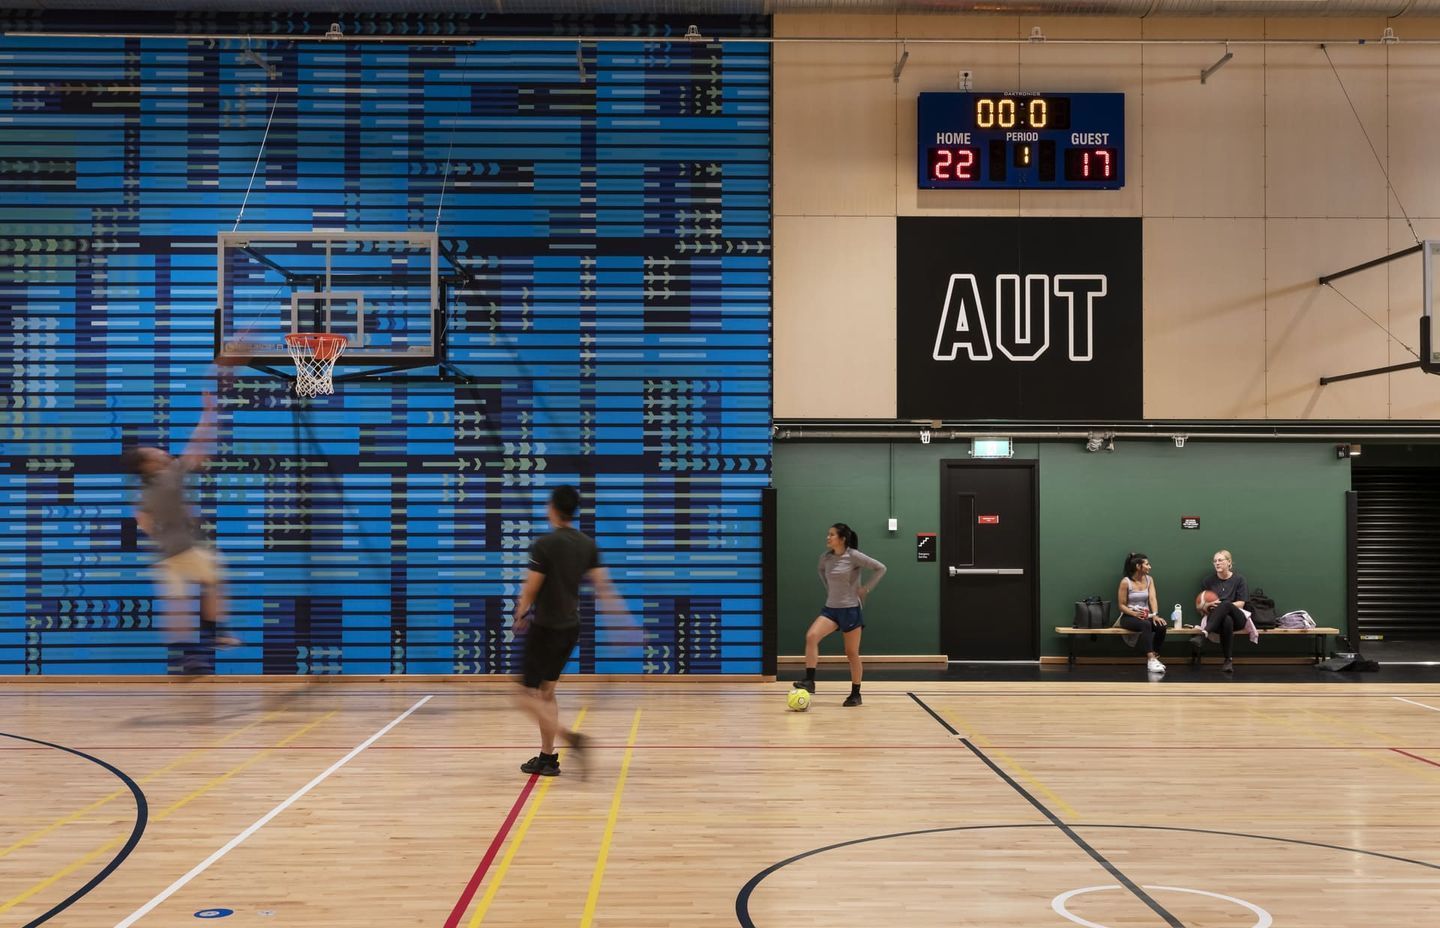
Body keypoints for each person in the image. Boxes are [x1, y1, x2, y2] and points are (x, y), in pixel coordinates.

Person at [511, 485, 625, 777]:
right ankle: (547, 758)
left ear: (552, 508)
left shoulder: (545, 545)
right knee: (546, 693)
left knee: (522, 695)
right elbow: (603, 587)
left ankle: (570, 738)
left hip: (546, 629)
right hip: (570, 629)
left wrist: (521, 611)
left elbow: (532, 587)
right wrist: (620, 623)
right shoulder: (587, 544)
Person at [122, 392, 239, 675]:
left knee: (178, 606)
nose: (162, 452)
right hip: (187, 547)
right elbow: (196, 445)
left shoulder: (145, 491)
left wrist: (163, 533)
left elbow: (142, 519)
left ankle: (188, 658)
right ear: (149, 465)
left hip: (166, 554)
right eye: (155, 452)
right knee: (214, 582)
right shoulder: (170, 474)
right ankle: (216, 634)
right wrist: (209, 412)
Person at [791, 523, 886, 707]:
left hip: (850, 610)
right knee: (811, 636)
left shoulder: (853, 556)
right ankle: (810, 681)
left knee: (851, 653)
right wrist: (830, 590)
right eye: (828, 534)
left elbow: (881, 568)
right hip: (831, 609)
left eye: (832, 535)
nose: (828, 537)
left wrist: (865, 589)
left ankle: (856, 694)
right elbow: (821, 571)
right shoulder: (825, 558)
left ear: (842, 539)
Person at [1195, 549, 1255, 674]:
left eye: (1220, 560)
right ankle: (1228, 661)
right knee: (1226, 621)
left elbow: (1241, 603)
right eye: (1215, 561)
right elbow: (1202, 607)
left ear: (1229, 562)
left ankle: (1204, 634)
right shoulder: (1208, 581)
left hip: (1238, 617)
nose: (1217, 563)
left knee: (1226, 604)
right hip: (1217, 620)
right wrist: (1209, 605)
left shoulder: (1239, 579)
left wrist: (1223, 606)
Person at [1116, 552, 1166, 674]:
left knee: (1161, 625)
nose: (1150, 567)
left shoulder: (1149, 580)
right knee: (1146, 625)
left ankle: (1154, 656)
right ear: (1138, 566)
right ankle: (1150, 659)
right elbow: (1121, 605)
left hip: (1145, 616)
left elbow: (1152, 598)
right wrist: (1134, 614)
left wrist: (1155, 615)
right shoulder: (1125, 582)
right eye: (1147, 564)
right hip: (1128, 616)